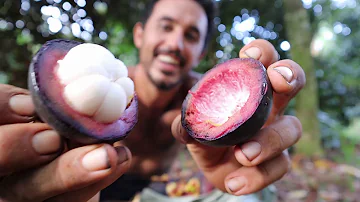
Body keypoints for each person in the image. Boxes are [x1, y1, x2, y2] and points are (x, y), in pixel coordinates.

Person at [0, 0, 305, 201]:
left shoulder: (194, 103)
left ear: (200, 52)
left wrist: (235, 170)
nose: (174, 44)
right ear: (139, 35)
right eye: (166, 26)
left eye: (190, 35)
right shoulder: (106, 86)